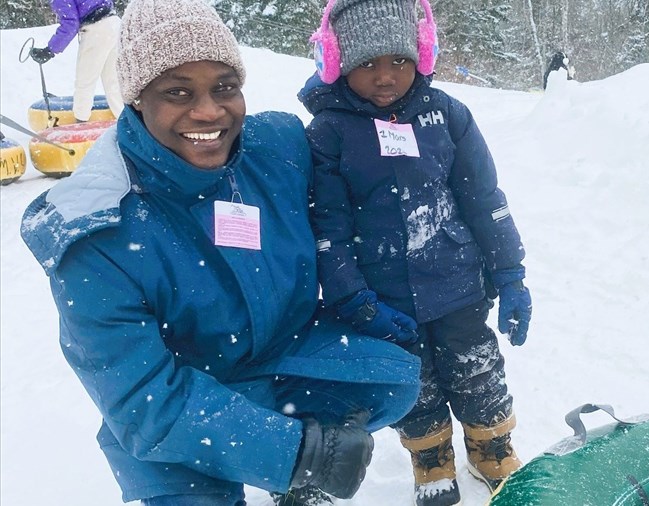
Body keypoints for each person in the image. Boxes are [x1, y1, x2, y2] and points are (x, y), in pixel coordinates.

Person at [20, 0, 421, 505]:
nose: (209, 111)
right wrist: (302, 453)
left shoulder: (278, 146)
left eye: (225, 87)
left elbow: (359, 135)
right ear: (137, 99)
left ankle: (291, 479)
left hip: (279, 358)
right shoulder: (96, 234)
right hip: (179, 404)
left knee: (393, 379)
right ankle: (284, 461)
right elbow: (143, 399)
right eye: (177, 92)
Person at [299, 0, 533, 504]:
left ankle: (492, 447)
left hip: (459, 283)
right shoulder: (328, 134)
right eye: (368, 63)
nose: (386, 77)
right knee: (414, 382)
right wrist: (354, 300)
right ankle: (430, 458)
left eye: (399, 60)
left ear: (420, 55)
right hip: (385, 299)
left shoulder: (446, 115)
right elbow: (328, 231)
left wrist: (510, 274)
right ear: (338, 63)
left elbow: (483, 199)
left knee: (476, 368)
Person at [29, 0, 125, 122]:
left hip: (96, 29)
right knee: (113, 83)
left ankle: (81, 123)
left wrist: (49, 50)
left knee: (85, 82)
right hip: (114, 23)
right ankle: (127, 124)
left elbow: (70, 23)